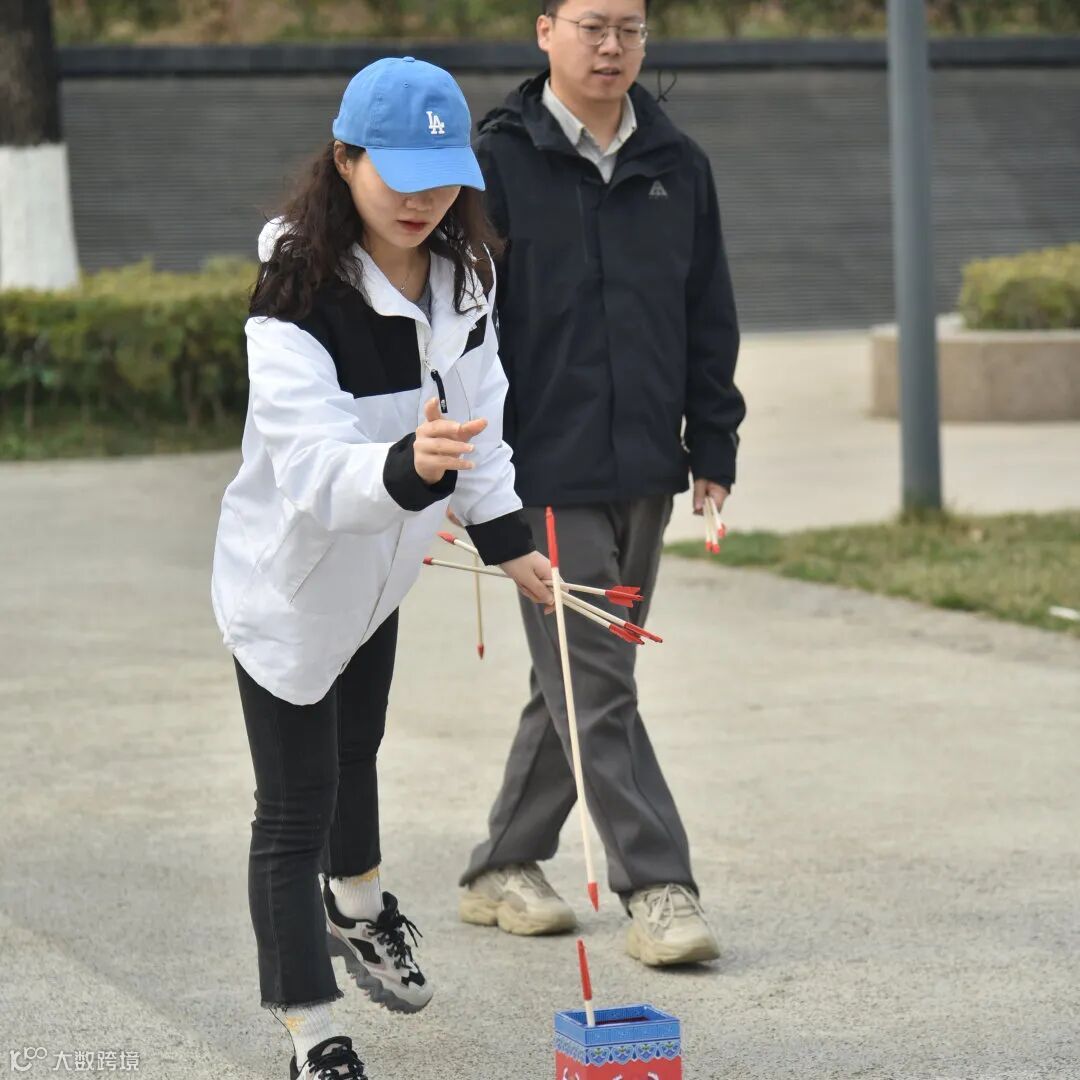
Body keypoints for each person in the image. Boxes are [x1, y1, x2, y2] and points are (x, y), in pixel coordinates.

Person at [211, 57, 553, 1080]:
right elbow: (314, 468)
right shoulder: (295, 294)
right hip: (293, 584)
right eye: (399, 174)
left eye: (443, 177)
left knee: (359, 748)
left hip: (384, 572)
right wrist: (410, 466)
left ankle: (357, 909)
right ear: (345, 158)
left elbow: (479, 420)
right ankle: (313, 1034)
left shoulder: (465, 275)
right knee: (293, 810)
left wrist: (508, 537)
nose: (422, 199)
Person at [458, 0, 746, 968]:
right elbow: (463, 326)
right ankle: (658, 885)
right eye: (592, 26)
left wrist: (713, 443)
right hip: (539, 470)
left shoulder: (678, 163)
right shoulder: (496, 164)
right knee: (596, 679)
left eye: (630, 28)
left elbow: (708, 310)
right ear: (545, 31)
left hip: (645, 467)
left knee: (580, 679)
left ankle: (500, 864)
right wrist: (472, 473)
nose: (613, 46)